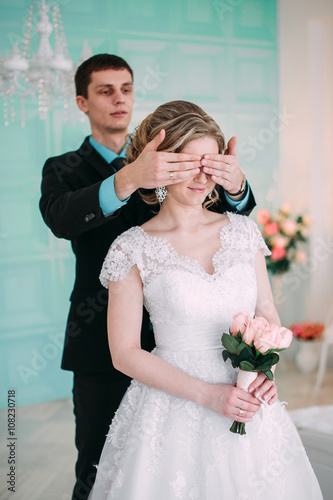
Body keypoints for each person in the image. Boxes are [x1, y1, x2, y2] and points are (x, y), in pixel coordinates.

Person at [39, 54, 256, 500]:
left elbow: (229, 217)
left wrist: (236, 185)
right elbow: (61, 219)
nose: (119, 99)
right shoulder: (63, 168)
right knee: (100, 467)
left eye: (127, 89)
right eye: (105, 90)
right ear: (82, 101)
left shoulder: (172, 156)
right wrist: (128, 179)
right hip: (103, 343)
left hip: (185, 345)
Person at [89, 100, 323, 500]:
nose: (203, 177)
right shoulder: (131, 248)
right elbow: (124, 353)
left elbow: (266, 315)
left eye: (211, 163)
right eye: (189, 163)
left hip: (248, 398)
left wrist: (266, 372)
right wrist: (208, 394)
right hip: (171, 410)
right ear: (162, 166)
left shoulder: (244, 231)